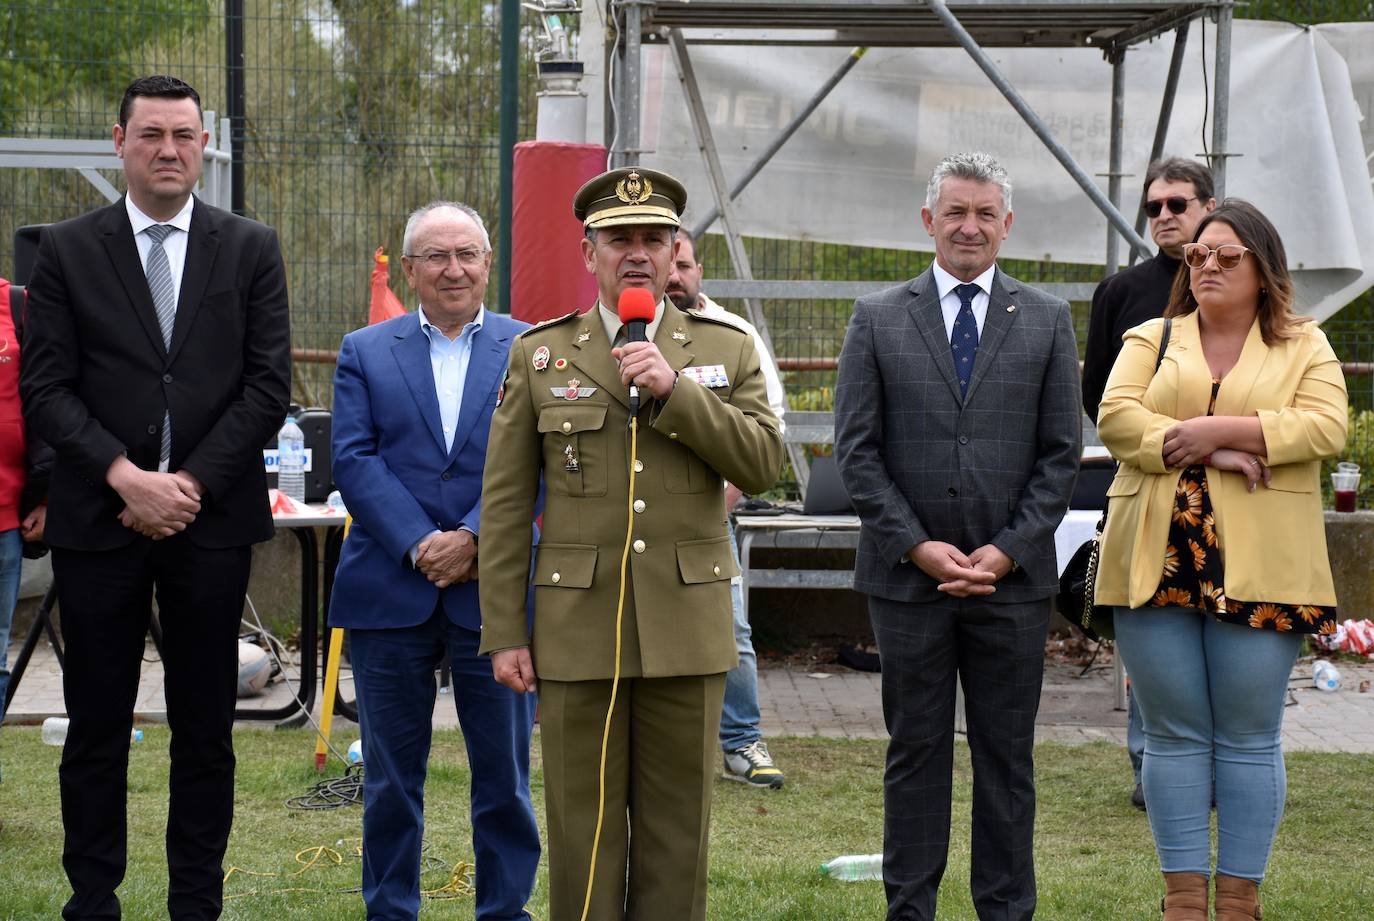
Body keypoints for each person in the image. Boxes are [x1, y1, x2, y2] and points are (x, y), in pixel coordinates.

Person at [478, 167, 783, 921]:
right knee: (582, 836)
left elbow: (763, 464)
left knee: (678, 839)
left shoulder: (725, 346)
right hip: (577, 629)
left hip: (688, 624)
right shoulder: (541, 356)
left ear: (676, 247)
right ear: (590, 253)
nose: (638, 253)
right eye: (620, 239)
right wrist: (505, 630)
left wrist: (677, 390)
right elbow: (509, 502)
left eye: (654, 238)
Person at [20, 75, 292, 919]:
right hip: (100, 523)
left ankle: (194, 903)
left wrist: (189, 483)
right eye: (152, 136)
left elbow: (266, 385)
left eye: (184, 135)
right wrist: (124, 475)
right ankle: (92, 899)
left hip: (209, 524)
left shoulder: (250, 246)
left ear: (205, 144)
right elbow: (47, 386)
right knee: (96, 728)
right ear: (119, 142)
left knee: (205, 729)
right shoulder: (63, 249)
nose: (169, 150)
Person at [834, 151, 1081, 921]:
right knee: (916, 754)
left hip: (1014, 585)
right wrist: (917, 544)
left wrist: (1007, 549)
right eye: (955, 211)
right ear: (928, 221)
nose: (968, 226)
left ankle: (1006, 910)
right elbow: (857, 452)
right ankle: (910, 908)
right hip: (908, 583)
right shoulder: (876, 318)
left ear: (1007, 224)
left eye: (984, 213)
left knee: (1008, 759)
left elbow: (1060, 454)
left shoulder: (1046, 319)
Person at [1095, 200, 1347, 921]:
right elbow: (1117, 418)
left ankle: (1238, 902)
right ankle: (1182, 902)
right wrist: (1225, 448)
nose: (1206, 265)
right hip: (1156, 560)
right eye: (1199, 255)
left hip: (1265, 563)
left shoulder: (1306, 343)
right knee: (1173, 734)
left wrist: (1211, 431)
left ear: (1264, 271)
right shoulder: (1152, 334)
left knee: (1247, 734)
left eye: (1226, 256)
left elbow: (1324, 425)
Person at [328, 201, 541, 921]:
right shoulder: (364, 348)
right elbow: (353, 459)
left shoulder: (533, 347)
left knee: (506, 779)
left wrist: (479, 536)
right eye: (436, 256)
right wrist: (423, 542)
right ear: (411, 270)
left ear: (488, 264)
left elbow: (547, 459)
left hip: (499, 593)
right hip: (392, 587)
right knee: (390, 780)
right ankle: (390, 909)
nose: (454, 268)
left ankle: (504, 911)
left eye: (467, 254)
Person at [1082, 156, 1216, 811]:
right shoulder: (1122, 292)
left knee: (1227, 629)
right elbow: (1099, 397)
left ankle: (1226, 761)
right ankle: (1150, 765)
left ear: (1210, 206)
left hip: (1233, 494)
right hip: (1148, 490)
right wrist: (1160, 448)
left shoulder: (1245, 285)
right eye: (1154, 207)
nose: (1164, 216)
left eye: (1178, 204)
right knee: (1153, 631)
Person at [666, 228, 787, 788]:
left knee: (729, 628)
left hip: (713, 513)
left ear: (699, 268)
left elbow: (767, 434)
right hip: (628, 517)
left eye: (684, 265)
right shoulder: (611, 334)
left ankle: (742, 744)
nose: (673, 277)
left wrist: (718, 504)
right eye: (667, 265)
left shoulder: (735, 336)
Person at [2, 276, 53, 775]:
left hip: (4, 519)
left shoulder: (16, 305)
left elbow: (42, 402)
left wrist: (44, 494)